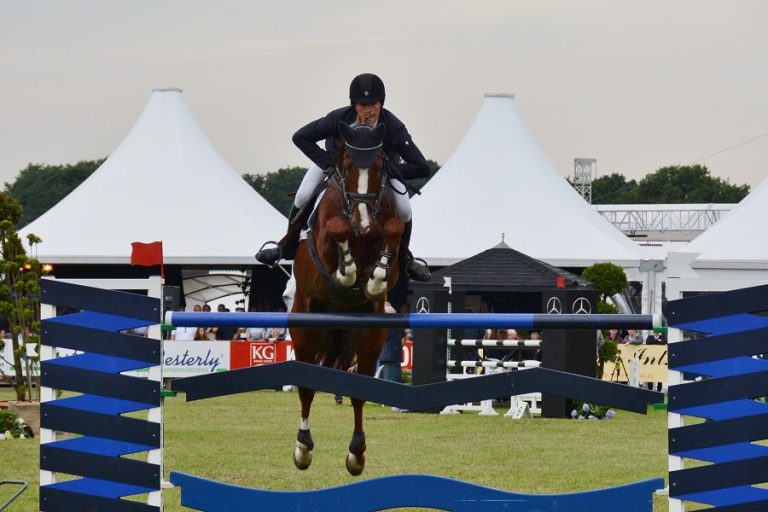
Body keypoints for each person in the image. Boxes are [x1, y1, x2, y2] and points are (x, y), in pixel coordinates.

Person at [255, 73, 431, 282]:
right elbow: (300, 137)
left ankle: (405, 258)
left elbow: (421, 167)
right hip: (338, 168)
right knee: (303, 195)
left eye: (373, 104)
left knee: (404, 208)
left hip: (379, 174)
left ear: (381, 103)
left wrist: (388, 169)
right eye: (362, 104)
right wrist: (327, 160)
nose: (369, 110)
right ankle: (286, 244)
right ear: (354, 105)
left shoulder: (393, 126)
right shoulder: (338, 118)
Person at [377, 302, 403, 383]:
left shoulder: (390, 325)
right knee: (388, 384)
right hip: (390, 357)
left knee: (388, 384)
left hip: (388, 358)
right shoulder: (396, 324)